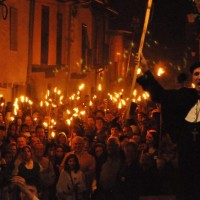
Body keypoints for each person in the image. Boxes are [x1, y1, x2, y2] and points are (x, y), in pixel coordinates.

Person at [136, 57, 200, 200]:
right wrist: (147, 71)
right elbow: (161, 95)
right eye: (196, 74)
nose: (199, 77)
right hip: (188, 156)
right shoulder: (185, 96)